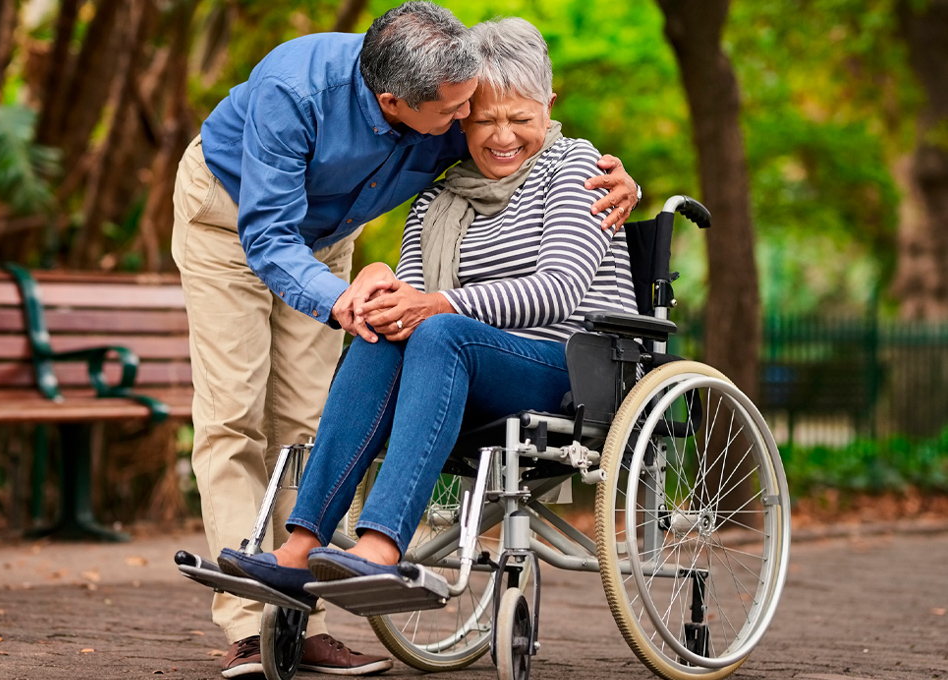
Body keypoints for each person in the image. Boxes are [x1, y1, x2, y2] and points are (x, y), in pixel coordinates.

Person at [172, 2, 639, 675]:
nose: (479, 129)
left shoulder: (498, 131)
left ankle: (364, 557)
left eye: (474, 110)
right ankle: (277, 590)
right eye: (466, 118)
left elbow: (535, 143)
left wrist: (625, 181)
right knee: (239, 411)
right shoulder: (304, 96)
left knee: (325, 399)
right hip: (234, 220)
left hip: (542, 350)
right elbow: (270, 236)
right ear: (397, 102)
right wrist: (381, 297)